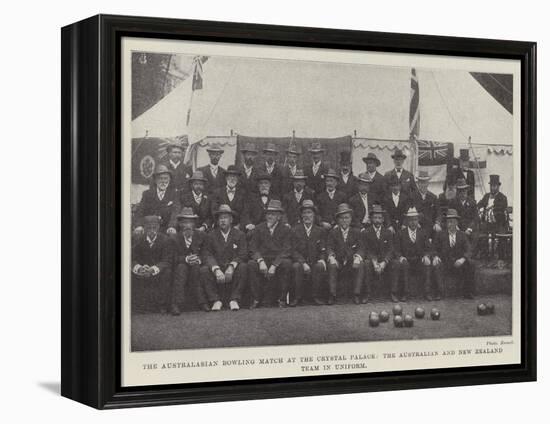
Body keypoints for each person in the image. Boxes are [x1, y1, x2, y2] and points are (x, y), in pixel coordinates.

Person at [200, 205, 248, 311]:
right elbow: (207, 254)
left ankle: (234, 299)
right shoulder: (211, 235)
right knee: (204, 270)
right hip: (218, 268)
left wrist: (231, 266)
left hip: (232, 269)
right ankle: (216, 300)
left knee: (244, 267)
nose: (223, 221)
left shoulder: (240, 235)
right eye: (220, 218)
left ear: (231, 220)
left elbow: (243, 254)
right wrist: (216, 269)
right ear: (217, 221)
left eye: (225, 218)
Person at [247, 200, 293, 308]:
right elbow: (253, 247)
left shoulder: (286, 229)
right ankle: (256, 299)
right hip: (263, 258)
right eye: (268, 213)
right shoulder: (259, 228)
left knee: (287, 264)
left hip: (278, 260)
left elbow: (286, 250)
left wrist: (274, 265)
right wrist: (260, 261)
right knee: (251, 264)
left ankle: (281, 299)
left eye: (273, 214)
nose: (270, 216)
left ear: (279, 216)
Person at [131, 215, 174, 314]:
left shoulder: (166, 240)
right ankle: (137, 305)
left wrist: (153, 269)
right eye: (148, 228)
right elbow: (132, 258)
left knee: (167, 272)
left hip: (158, 270)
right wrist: (139, 268)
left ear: (158, 227)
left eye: (154, 227)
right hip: (142, 270)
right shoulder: (138, 240)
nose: (151, 231)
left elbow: (167, 260)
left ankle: (162, 305)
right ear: (144, 228)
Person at [326, 204, 365, 305]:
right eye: (341, 218)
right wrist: (331, 256)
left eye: (347, 218)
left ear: (351, 219)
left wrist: (357, 257)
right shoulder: (333, 232)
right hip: (338, 260)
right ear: (338, 220)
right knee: (331, 265)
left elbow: (361, 248)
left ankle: (356, 294)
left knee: (360, 264)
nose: (344, 220)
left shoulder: (357, 232)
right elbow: (329, 247)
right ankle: (332, 294)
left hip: (351, 260)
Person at [290, 200, 327, 306]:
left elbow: (323, 249)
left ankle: (316, 296)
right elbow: (293, 250)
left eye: (309, 213)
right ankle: (297, 297)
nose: (307, 215)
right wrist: (303, 262)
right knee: (297, 267)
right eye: (305, 213)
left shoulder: (320, 231)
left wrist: (321, 259)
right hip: (301, 261)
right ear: (301, 215)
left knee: (320, 266)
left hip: (314, 260)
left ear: (314, 215)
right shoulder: (295, 230)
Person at [172, 207, 209, 312]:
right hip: (181, 265)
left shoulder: (201, 235)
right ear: (180, 224)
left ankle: (202, 302)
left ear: (194, 224)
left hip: (197, 265)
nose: (188, 225)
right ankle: (176, 304)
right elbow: (173, 258)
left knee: (196, 267)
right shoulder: (174, 238)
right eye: (185, 222)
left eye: (190, 222)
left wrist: (198, 259)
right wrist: (186, 259)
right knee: (181, 268)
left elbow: (206, 253)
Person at [432, 208, 475, 299]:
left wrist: (462, 259)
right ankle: (439, 293)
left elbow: (469, 249)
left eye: (452, 222)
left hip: (458, 263)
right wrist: (435, 256)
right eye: (448, 222)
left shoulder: (462, 235)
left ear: (456, 223)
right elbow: (434, 248)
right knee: (436, 265)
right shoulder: (440, 235)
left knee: (470, 263)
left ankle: (468, 292)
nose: (449, 224)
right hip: (445, 262)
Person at [393, 207, 432, 302]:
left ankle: (427, 292)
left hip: (419, 260)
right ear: (406, 221)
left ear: (418, 220)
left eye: (415, 219)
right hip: (406, 260)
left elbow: (428, 248)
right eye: (410, 220)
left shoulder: (423, 233)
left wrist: (426, 256)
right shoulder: (400, 233)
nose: (413, 222)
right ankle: (406, 293)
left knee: (427, 264)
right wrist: (400, 257)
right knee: (404, 265)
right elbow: (396, 249)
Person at [133, 164, 179, 235]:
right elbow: (140, 211)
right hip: (149, 228)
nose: (163, 181)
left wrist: (172, 226)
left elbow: (175, 212)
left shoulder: (174, 194)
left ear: (169, 180)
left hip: (166, 228)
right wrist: (139, 225)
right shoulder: (147, 194)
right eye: (160, 178)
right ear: (155, 180)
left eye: (166, 178)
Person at [363, 204, 395, 303]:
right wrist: (374, 262)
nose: (377, 220)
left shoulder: (388, 233)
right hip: (372, 260)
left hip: (384, 260)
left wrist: (384, 262)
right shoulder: (366, 232)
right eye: (375, 218)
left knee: (395, 264)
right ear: (371, 219)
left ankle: (393, 293)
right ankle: (367, 294)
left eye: (380, 218)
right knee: (366, 264)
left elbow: (391, 250)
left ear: (383, 220)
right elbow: (366, 249)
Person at [451, 178, 479, 252]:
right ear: (457, 192)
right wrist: (457, 228)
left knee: (474, 236)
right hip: (458, 227)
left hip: (469, 227)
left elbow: (475, 218)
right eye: (460, 191)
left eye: (464, 190)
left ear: (467, 190)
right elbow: (451, 217)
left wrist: (469, 229)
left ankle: (469, 254)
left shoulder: (472, 202)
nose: (463, 193)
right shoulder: (453, 202)